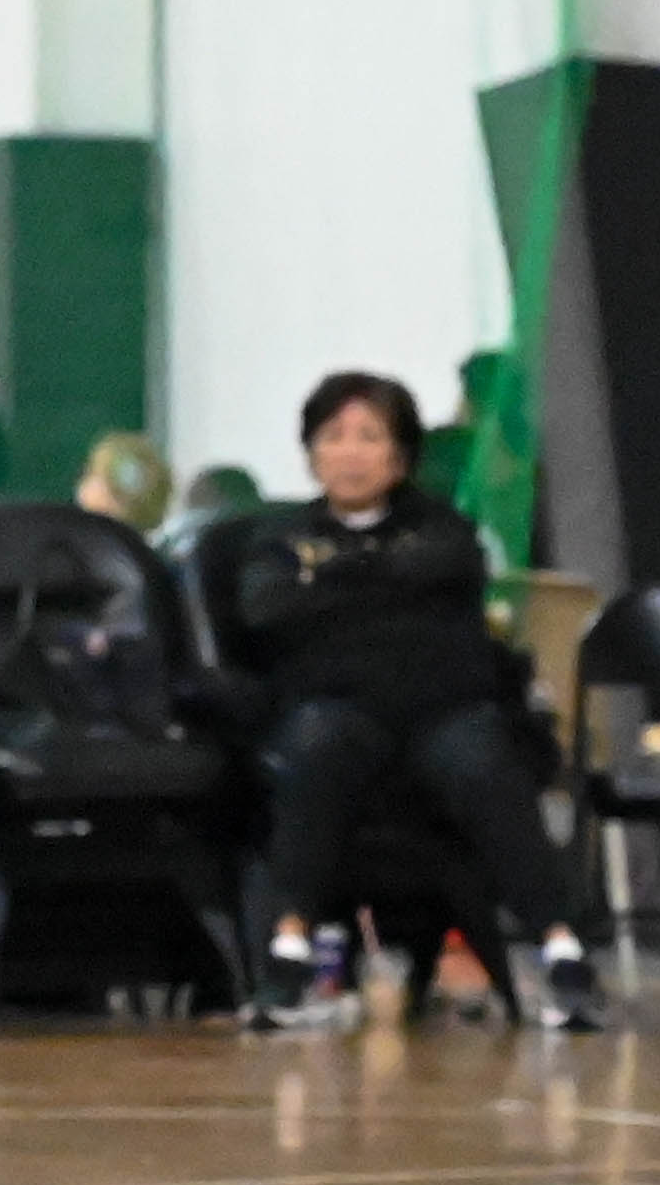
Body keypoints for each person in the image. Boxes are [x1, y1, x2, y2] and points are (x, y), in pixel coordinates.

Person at [230, 372, 605, 1032]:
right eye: (333, 436)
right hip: (337, 707)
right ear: (311, 452)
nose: (349, 452)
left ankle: (560, 948)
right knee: (315, 750)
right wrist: (375, 576)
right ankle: (289, 953)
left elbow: (438, 574)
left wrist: (330, 577)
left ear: (399, 457)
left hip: (440, 710)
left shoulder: (444, 531)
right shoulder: (276, 539)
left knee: (484, 763)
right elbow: (267, 609)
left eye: (368, 437)